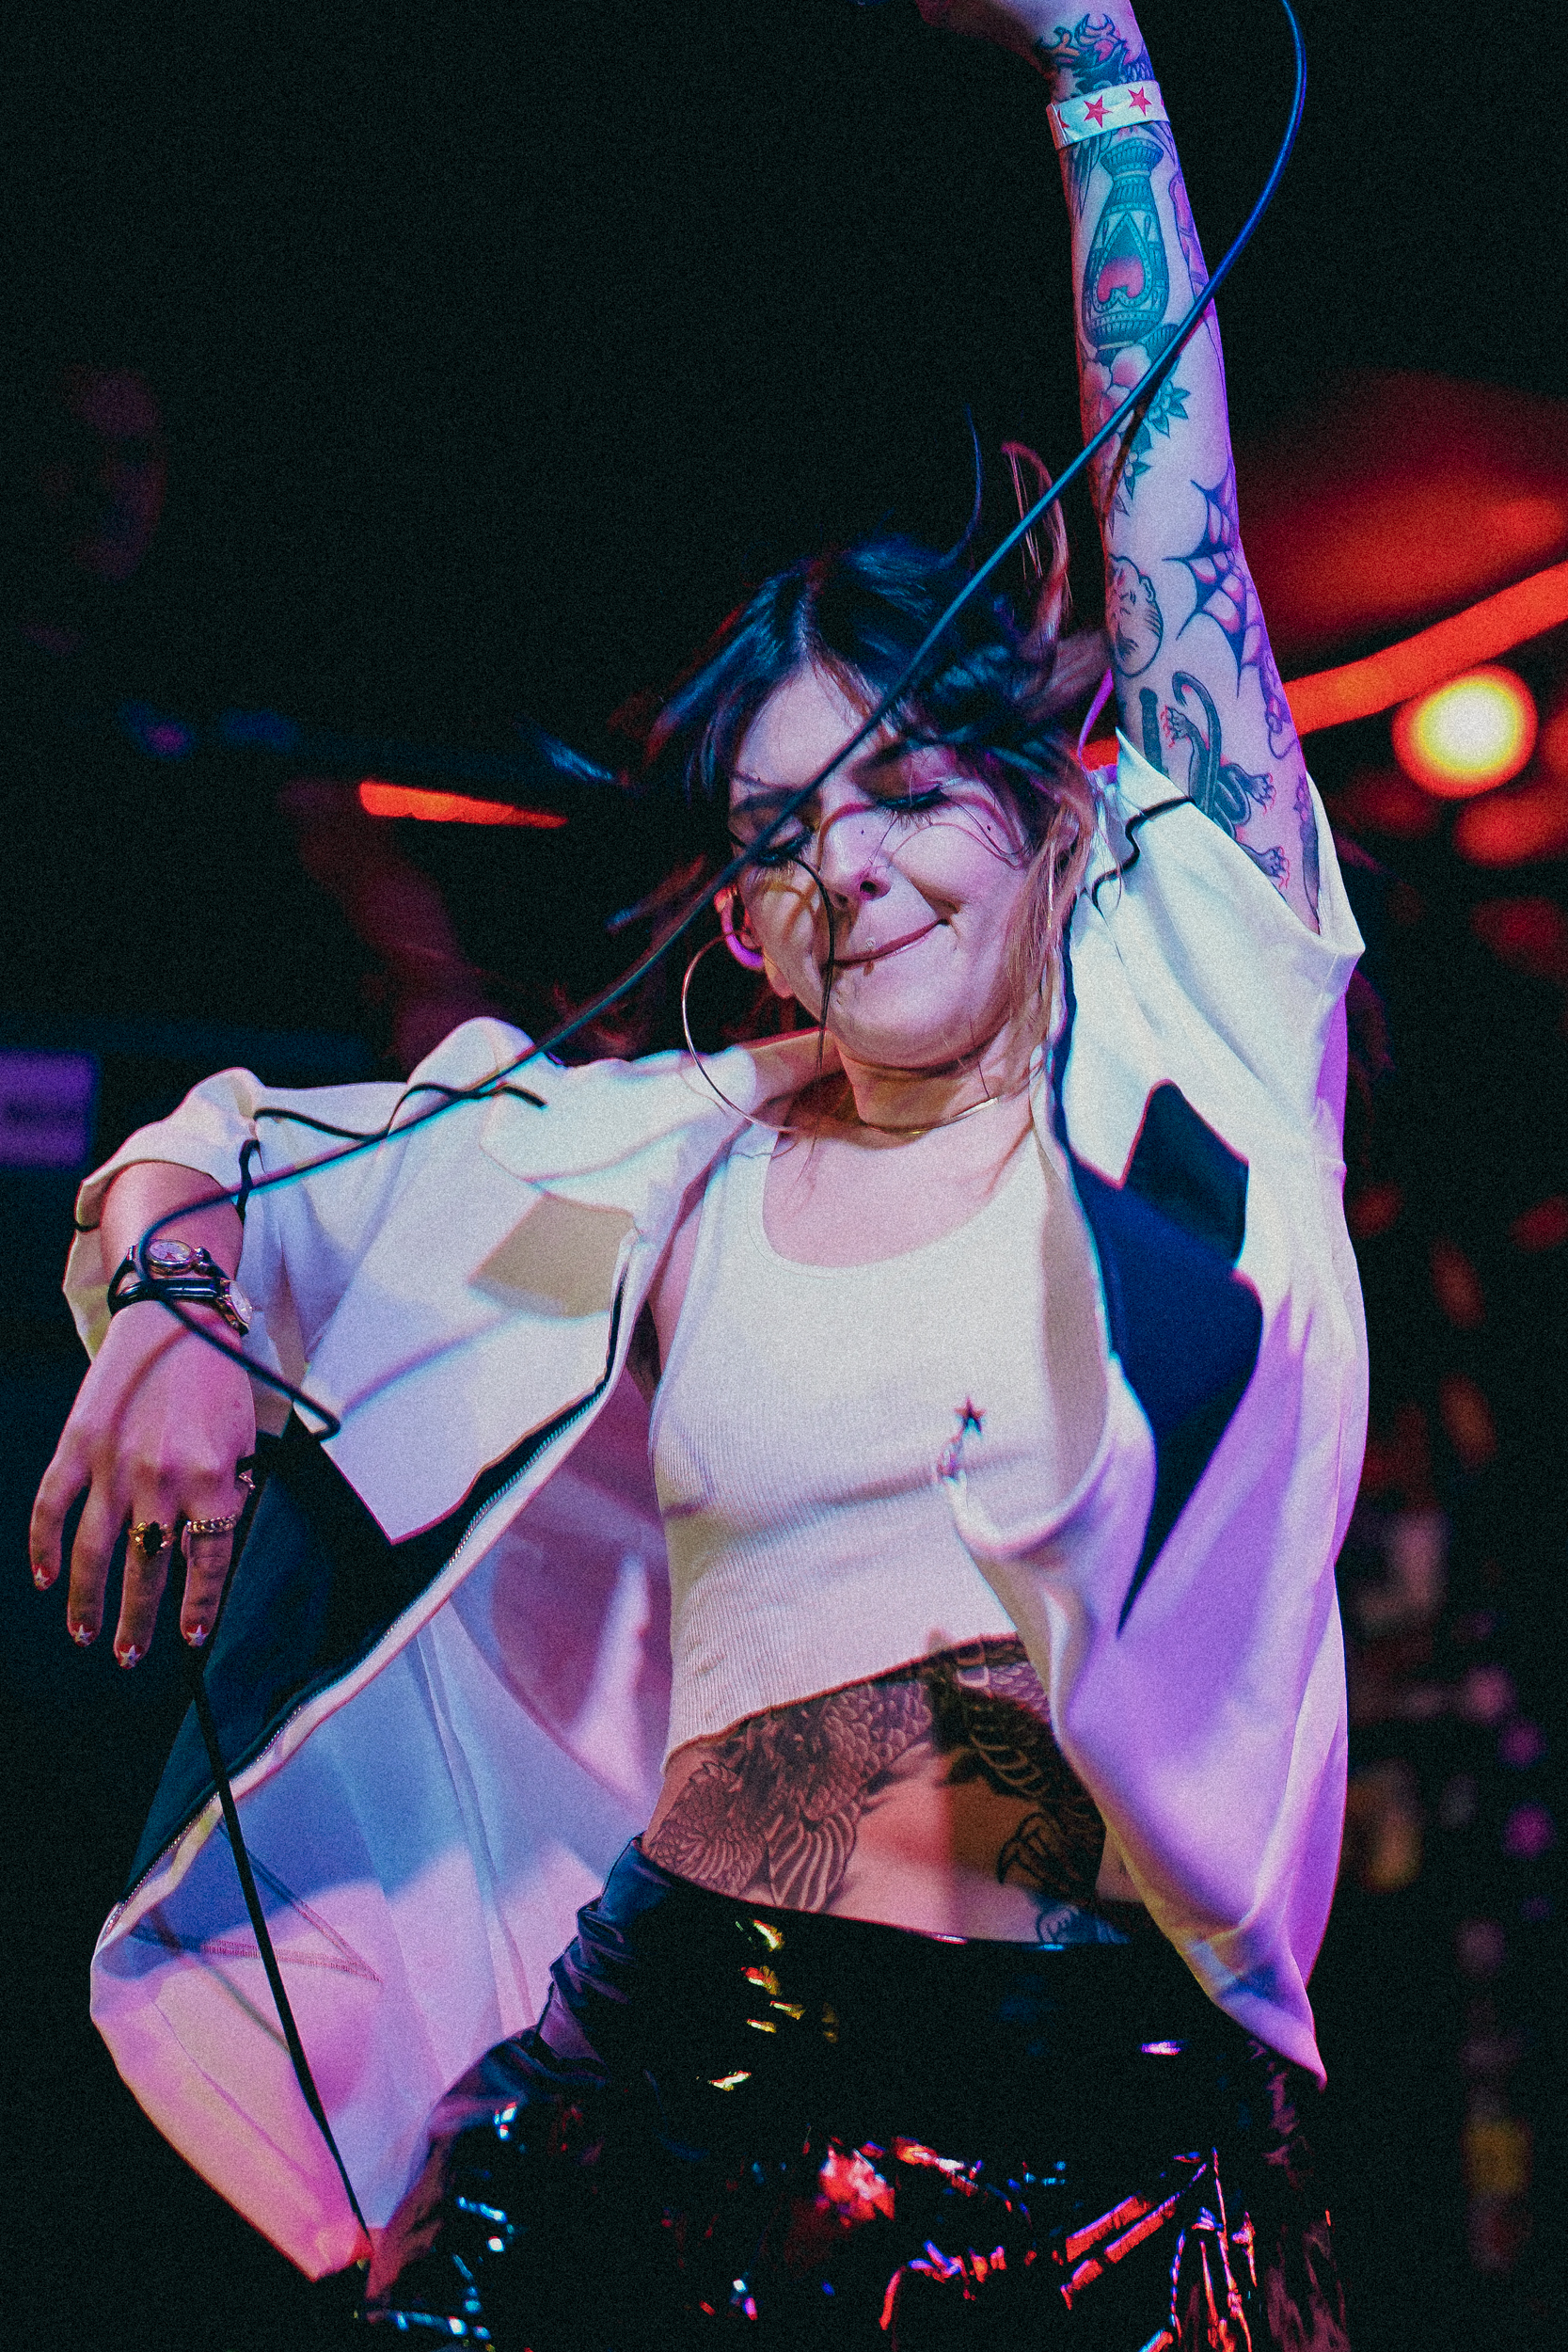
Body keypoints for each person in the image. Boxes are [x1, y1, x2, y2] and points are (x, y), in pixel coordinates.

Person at [30, 3, 1364, 2344]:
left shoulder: (1197, 1022)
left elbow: (1177, 535)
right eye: (776, 837)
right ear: (738, 917)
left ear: (1047, 806)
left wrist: (1096, 73)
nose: (849, 869)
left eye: (904, 791)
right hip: (680, 2087)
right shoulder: (676, 1163)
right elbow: (233, 1156)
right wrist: (175, 1304)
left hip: (1113, 2133)